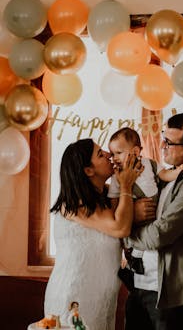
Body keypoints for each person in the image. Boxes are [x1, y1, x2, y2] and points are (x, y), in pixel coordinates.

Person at [124, 112, 183, 330]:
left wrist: (124, 235)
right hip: (139, 286)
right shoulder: (165, 176)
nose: (162, 145)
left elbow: (160, 234)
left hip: (170, 294)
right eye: (163, 138)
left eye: (169, 142)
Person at [44, 138, 143, 330]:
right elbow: (120, 228)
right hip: (74, 296)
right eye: (100, 154)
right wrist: (126, 187)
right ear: (88, 170)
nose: (109, 155)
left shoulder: (108, 197)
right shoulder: (72, 204)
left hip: (102, 298)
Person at [108, 127, 183, 275]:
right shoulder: (117, 177)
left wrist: (178, 172)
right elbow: (114, 200)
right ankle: (132, 262)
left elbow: (164, 174)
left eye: (118, 153)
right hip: (134, 216)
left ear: (135, 152)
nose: (114, 158)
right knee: (135, 238)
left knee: (152, 235)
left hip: (154, 213)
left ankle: (140, 263)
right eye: (112, 154)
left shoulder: (150, 164)